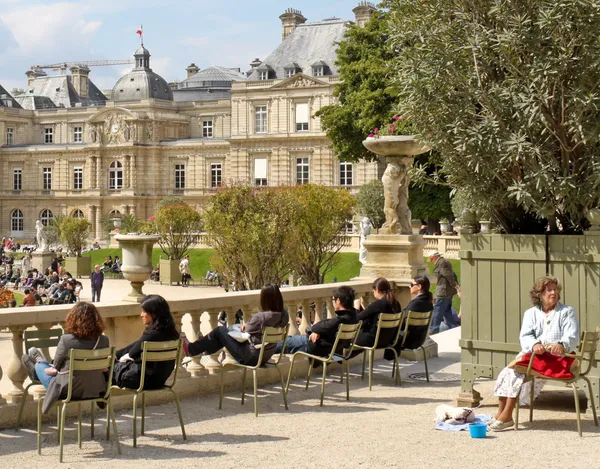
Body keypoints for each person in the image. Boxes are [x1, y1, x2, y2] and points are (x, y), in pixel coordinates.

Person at [489, 276, 579, 432]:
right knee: (507, 372)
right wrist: (535, 344)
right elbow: (525, 335)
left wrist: (561, 345)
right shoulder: (530, 313)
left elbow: (571, 335)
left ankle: (507, 416)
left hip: (558, 360)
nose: (553, 293)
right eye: (548, 290)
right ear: (539, 294)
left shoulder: (567, 311)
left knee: (516, 371)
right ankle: (500, 413)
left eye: (555, 289)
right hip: (536, 357)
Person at [20, 302, 109, 414]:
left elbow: (56, 366)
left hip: (68, 391)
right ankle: (40, 363)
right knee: (53, 369)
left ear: (73, 319)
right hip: (95, 389)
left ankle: (38, 366)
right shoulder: (104, 340)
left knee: (42, 367)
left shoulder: (66, 340)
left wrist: (53, 368)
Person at [182, 284, 289, 366]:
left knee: (220, 331)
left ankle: (192, 349)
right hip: (265, 356)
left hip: (250, 357)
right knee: (221, 335)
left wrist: (245, 326)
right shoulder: (283, 315)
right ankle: (205, 346)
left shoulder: (261, 317)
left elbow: (245, 331)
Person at [112, 295, 179, 389]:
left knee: (109, 366)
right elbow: (137, 344)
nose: (141, 315)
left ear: (154, 313)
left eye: (144, 311)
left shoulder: (153, 334)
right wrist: (117, 354)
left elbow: (132, 353)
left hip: (143, 381)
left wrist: (113, 356)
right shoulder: (173, 334)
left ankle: (101, 395)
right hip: (160, 381)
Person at [275, 285, 359, 357]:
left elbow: (315, 327)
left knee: (278, 344)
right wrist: (318, 332)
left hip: (313, 346)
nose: (332, 302)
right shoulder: (354, 316)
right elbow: (323, 326)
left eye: (333, 300)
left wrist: (314, 331)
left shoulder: (339, 320)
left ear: (338, 301)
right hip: (329, 349)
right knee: (287, 339)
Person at [384, 276, 434, 360]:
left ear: (419, 287)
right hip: (420, 339)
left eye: (411, 284)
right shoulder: (428, 301)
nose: (409, 286)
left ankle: (386, 356)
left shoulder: (417, 303)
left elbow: (402, 323)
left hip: (409, 340)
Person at [355, 277, 401, 349]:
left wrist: (357, 308)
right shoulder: (396, 304)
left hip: (372, 340)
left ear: (377, 289)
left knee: (347, 338)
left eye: (373, 291)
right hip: (388, 340)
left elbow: (357, 318)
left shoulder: (377, 304)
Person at [429, 251, 460, 334]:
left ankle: (433, 330)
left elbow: (448, 275)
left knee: (437, 311)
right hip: (446, 291)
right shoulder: (443, 262)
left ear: (434, 257)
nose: (431, 261)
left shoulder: (442, 263)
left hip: (443, 292)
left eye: (431, 259)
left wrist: (455, 285)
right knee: (447, 311)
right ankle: (454, 329)